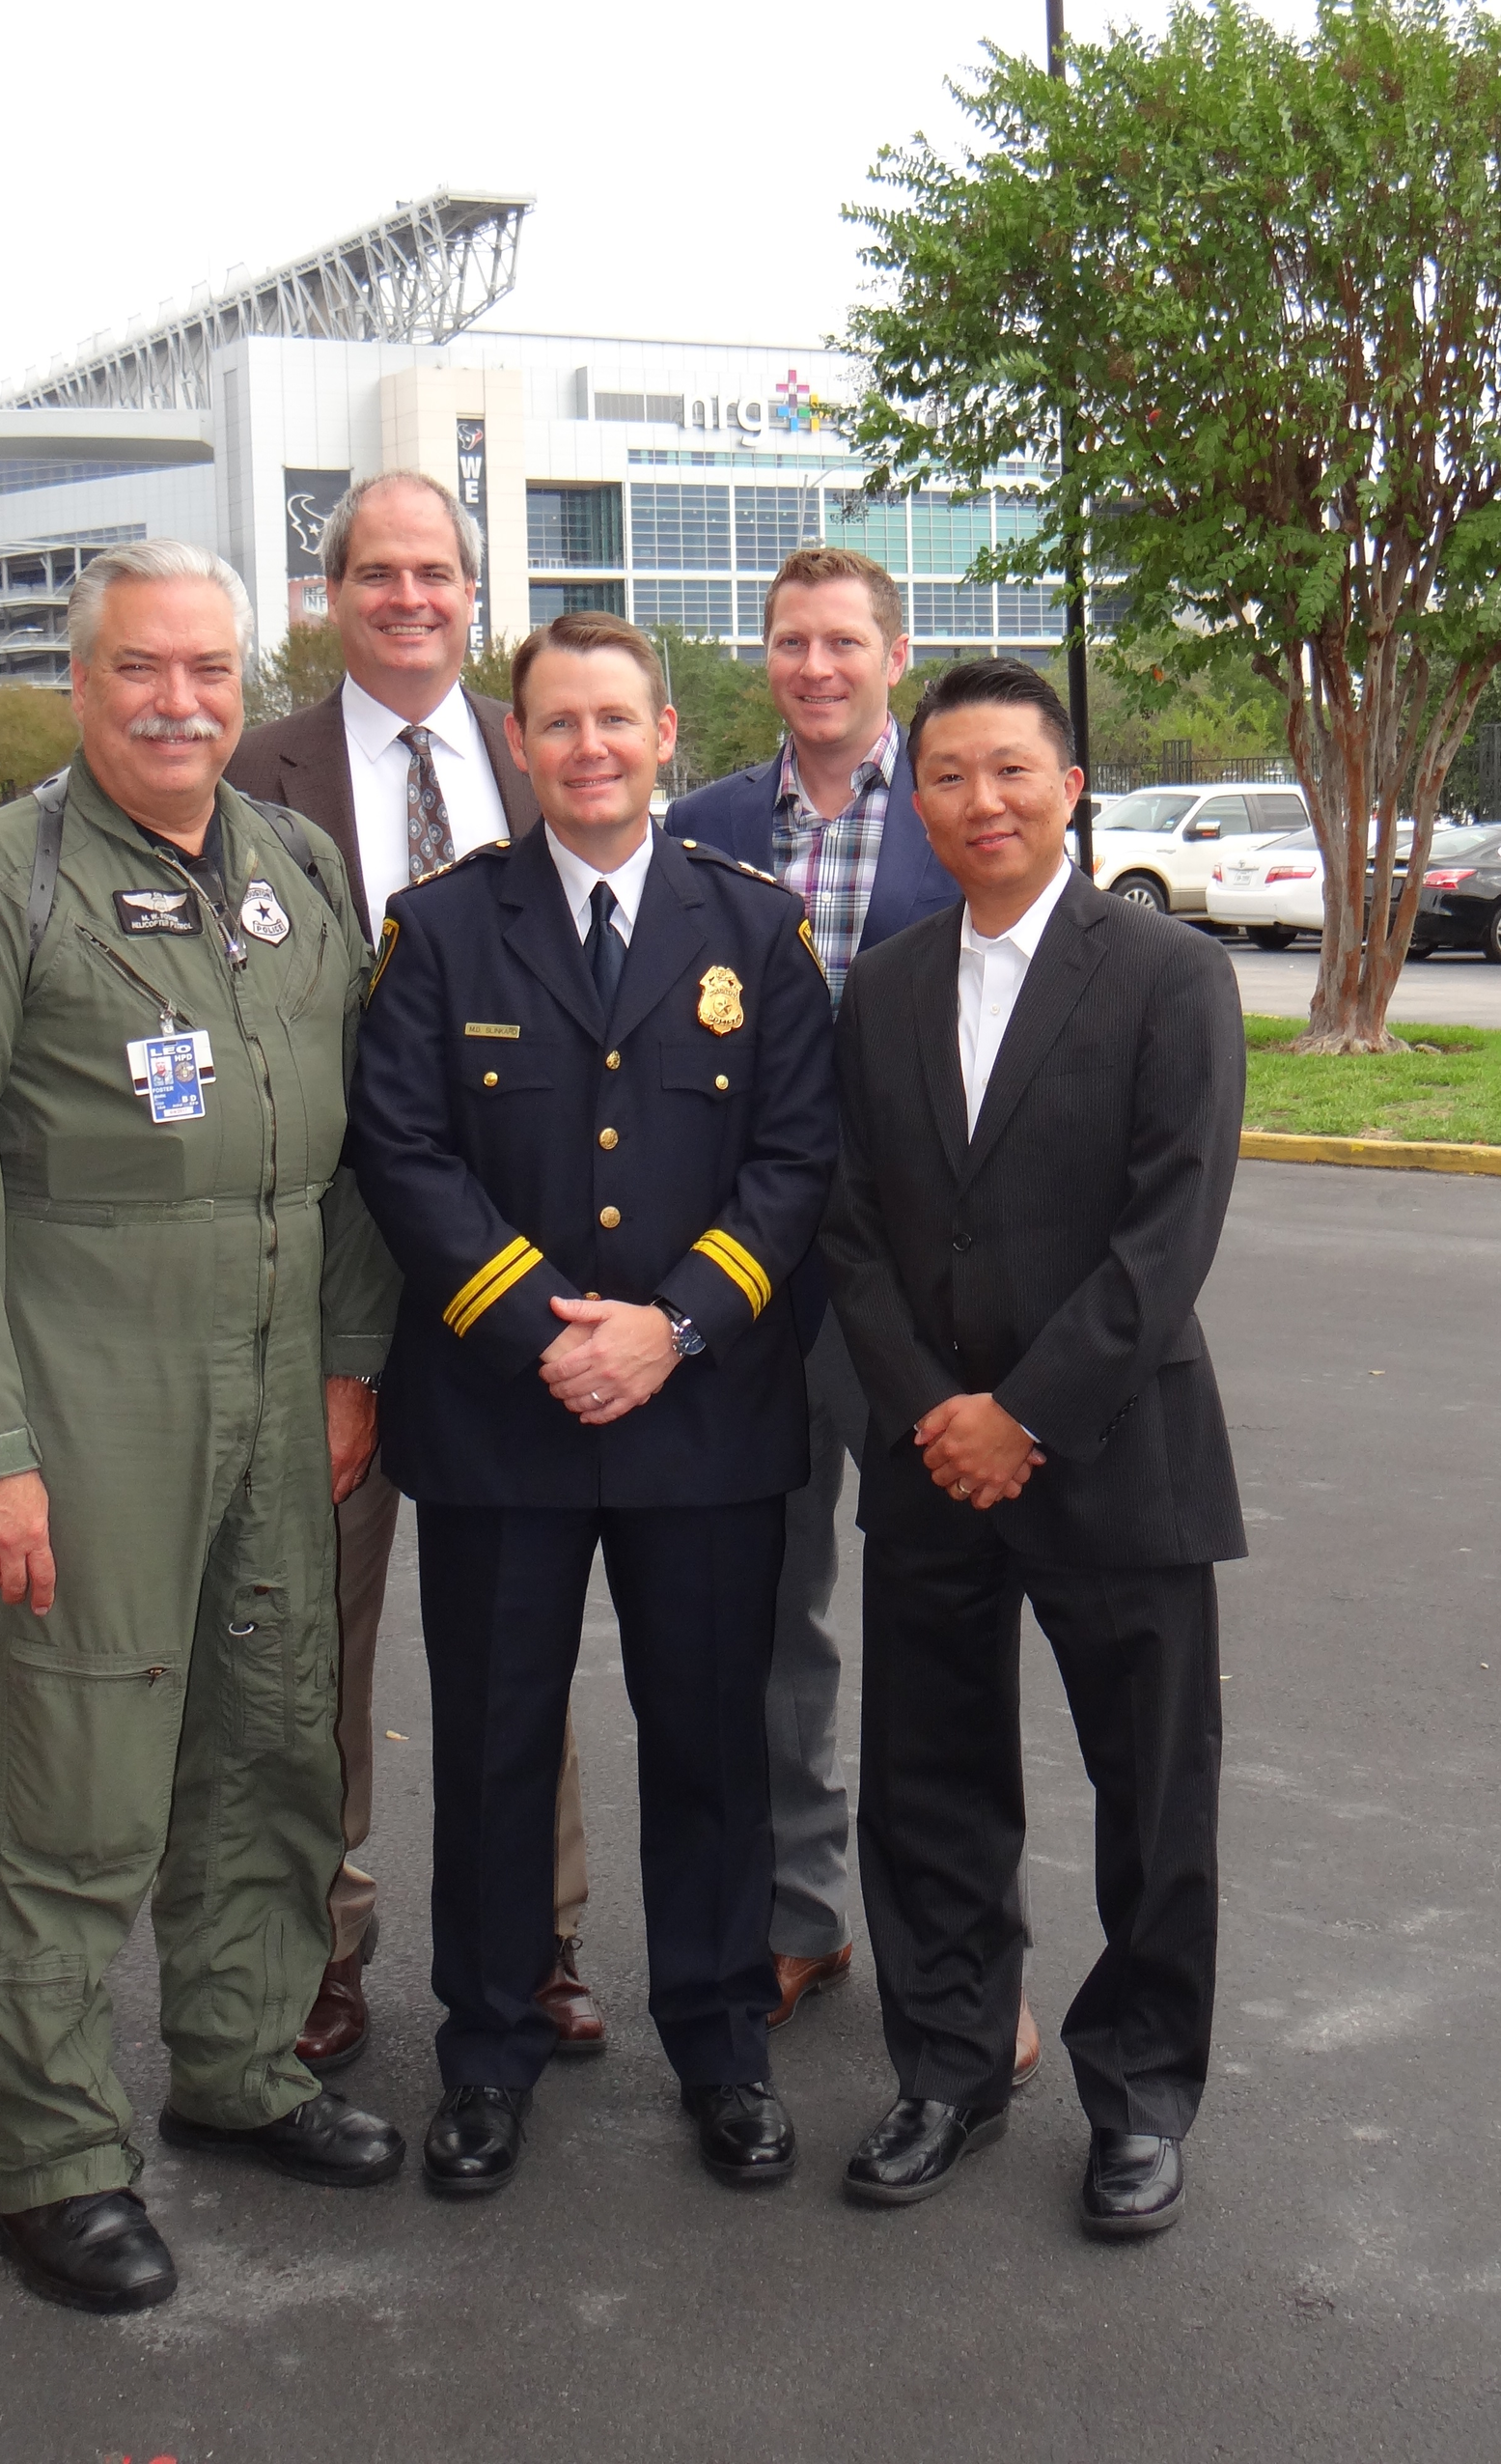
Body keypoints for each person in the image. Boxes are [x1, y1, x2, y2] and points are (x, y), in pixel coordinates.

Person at [0, 540, 405, 2316]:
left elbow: (358, 1151)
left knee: (269, 1740)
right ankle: (51, 2158)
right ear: (82, 684)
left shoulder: (293, 867)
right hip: (88, 1401)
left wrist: (345, 1360)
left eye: (210, 671)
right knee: (73, 1781)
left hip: (276, 1378)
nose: (181, 703)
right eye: (141, 672)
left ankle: (243, 2067)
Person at [348, 610, 838, 2195]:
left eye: (616, 721)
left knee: (706, 1744)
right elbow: (404, 1152)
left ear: (666, 734)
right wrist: (540, 1331)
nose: (589, 749)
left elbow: (794, 1162)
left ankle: (718, 2043)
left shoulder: (754, 930)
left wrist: (672, 1329)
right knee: (494, 1748)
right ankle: (486, 2053)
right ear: (520, 743)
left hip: (702, 1416)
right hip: (505, 1415)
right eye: (557, 724)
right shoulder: (441, 927)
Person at [820, 658, 1245, 2237]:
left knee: (1151, 1793)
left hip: (1117, 1455)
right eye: (947, 777)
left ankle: (1139, 2096)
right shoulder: (885, 983)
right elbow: (847, 1224)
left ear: (1070, 786)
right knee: (930, 1784)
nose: (979, 802)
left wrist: (1028, 1413)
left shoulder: (1164, 973)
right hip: (933, 1459)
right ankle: (946, 2069)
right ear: (914, 797)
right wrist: (938, 1406)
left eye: (1010, 771)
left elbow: (1166, 1231)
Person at [226, 471, 602, 2067]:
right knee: (319, 1632)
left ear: (474, 591)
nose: (407, 596)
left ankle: (541, 1943)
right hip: (337, 1280)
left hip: (529, 1281)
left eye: (435, 570)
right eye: (374, 571)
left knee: (529, 1627)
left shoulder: (553, 755)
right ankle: (319, 1939)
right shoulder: (254, 773)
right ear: (332, 597)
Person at [667, 548, 1039, 2088]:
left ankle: (967, 1964)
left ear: (894, 652)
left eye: (843, 640)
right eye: (788, 641)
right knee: (770, 1628)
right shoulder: (701, 831)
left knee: (945, 1643)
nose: (815, 665)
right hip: (749, 1288)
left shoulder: (956, 817)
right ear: (764, 662)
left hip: (914, 1298)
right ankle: (799, 1916)